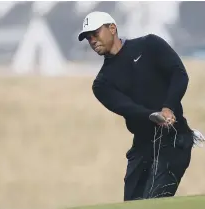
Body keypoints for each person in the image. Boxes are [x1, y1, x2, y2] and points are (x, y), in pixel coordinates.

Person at [77, 11, 196, 201]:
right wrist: (152, 115)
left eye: (95, 33)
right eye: (88, 37)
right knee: (132, 203)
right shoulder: (102, 83)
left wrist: (168, 107)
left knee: (154, 202)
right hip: (142, 146)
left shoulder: (149, 45)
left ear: (112, 28)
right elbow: (127, 107)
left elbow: (179, 74)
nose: (92, 40)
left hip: (174, 140)